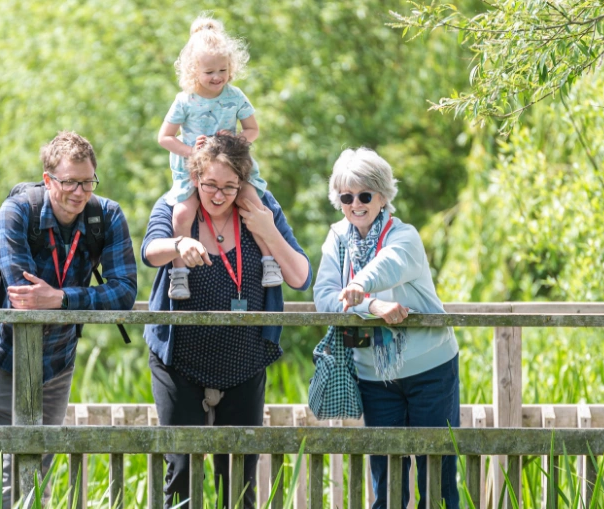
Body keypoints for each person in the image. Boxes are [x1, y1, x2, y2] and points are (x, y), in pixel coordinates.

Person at [140, 133, 311, 508]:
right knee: (181, 473)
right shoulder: (176, 206)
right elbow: (149, 251)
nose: (218, 196)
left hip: (244, 360)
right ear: (195, 178)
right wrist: (178, 245)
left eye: (229, 188)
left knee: (239, 480)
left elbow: (300, 276)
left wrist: (268, 232)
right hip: (179, 361)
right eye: (210, 185)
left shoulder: (261, 208)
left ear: (243, 183)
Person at [0, 131, 137, 508]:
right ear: (48, 180)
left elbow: (125, 292)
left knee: (43, 456)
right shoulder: (17, 211)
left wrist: (61, 298)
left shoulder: (106, 216)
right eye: (69, 182)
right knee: (8, 455)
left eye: (87, 182)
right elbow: (22, 295)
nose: (79, 193)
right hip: (3, 351)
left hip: (59, 354)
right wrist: (65, 300)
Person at [312, 147, 460, 509]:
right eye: (346, 197)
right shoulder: (336, 238)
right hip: (373, 374)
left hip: (430, 368)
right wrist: (373, 305)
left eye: (364, 195)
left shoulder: (404, 236)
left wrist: (359, 287)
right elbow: (324, 296)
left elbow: (387, 266)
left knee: (436, 477)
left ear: (382, 196)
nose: (355, 204)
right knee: (388, 483)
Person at [156, 15, 282, 300]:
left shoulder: (235, 96)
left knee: (254, 204)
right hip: (194, 171)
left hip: (233, 166)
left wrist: (237, 139)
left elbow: (253, 130)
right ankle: (179, 274)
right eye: (209, 72)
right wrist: (192, 150)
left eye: (223, 70)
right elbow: (164, 137)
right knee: (182, 214)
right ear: (193, 70)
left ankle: (269, 261)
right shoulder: (185, 101)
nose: (217, 77)